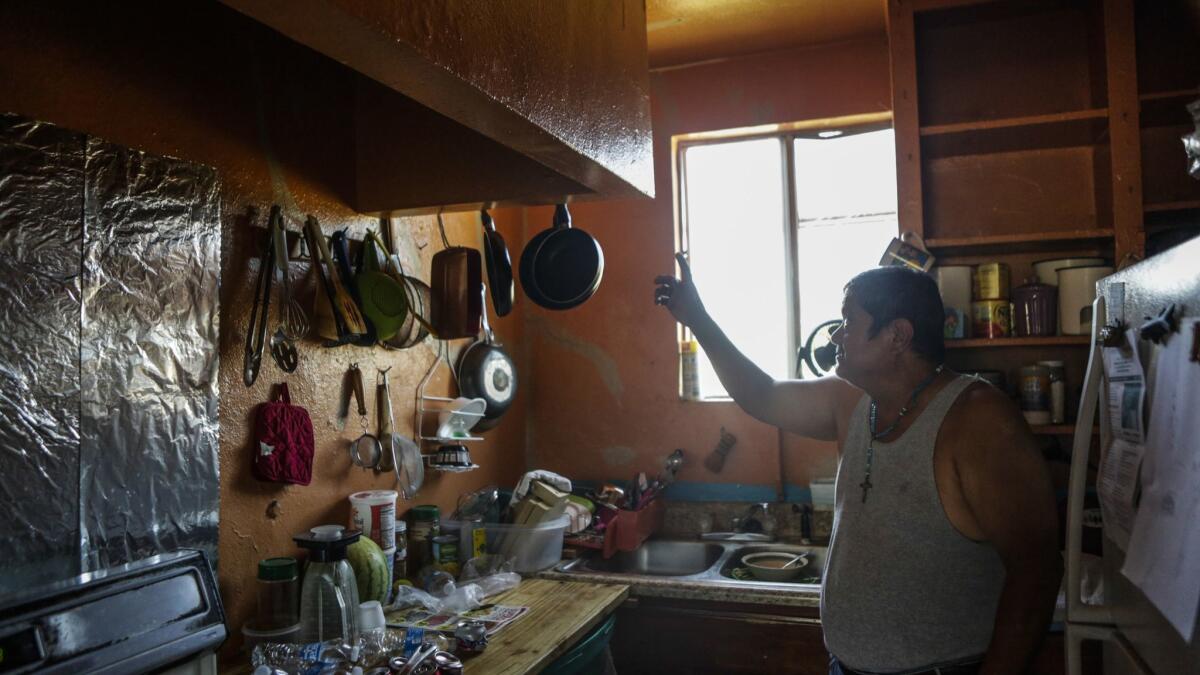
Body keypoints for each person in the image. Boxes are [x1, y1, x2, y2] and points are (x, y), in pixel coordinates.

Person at [654, 256, 1061, 675]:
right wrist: (697, 319)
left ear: (897, 336)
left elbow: (1037, 571)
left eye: (848, 321)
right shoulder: (849, 401)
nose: (836, 334)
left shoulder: (976, 419)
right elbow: (762, 394)